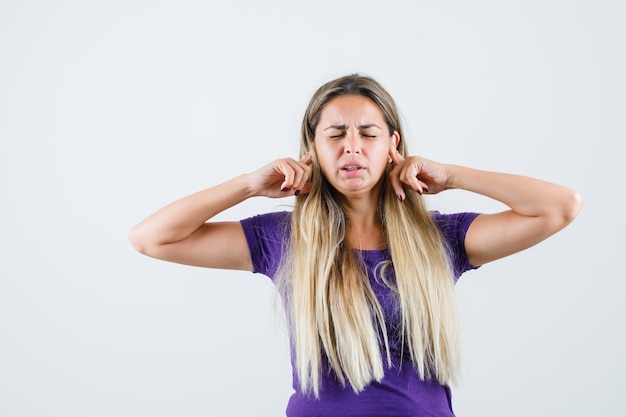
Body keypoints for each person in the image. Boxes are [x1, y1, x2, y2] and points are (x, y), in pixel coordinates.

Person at [128, 74, 583, 416]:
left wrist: (453, 175)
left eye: (368, 134)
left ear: (393, 145)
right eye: (335, 135)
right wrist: (248, 185)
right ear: (312, 148)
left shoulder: (440, 238)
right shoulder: (282, 239)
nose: (352, 148)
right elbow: (151, 238)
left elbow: (560, 207)